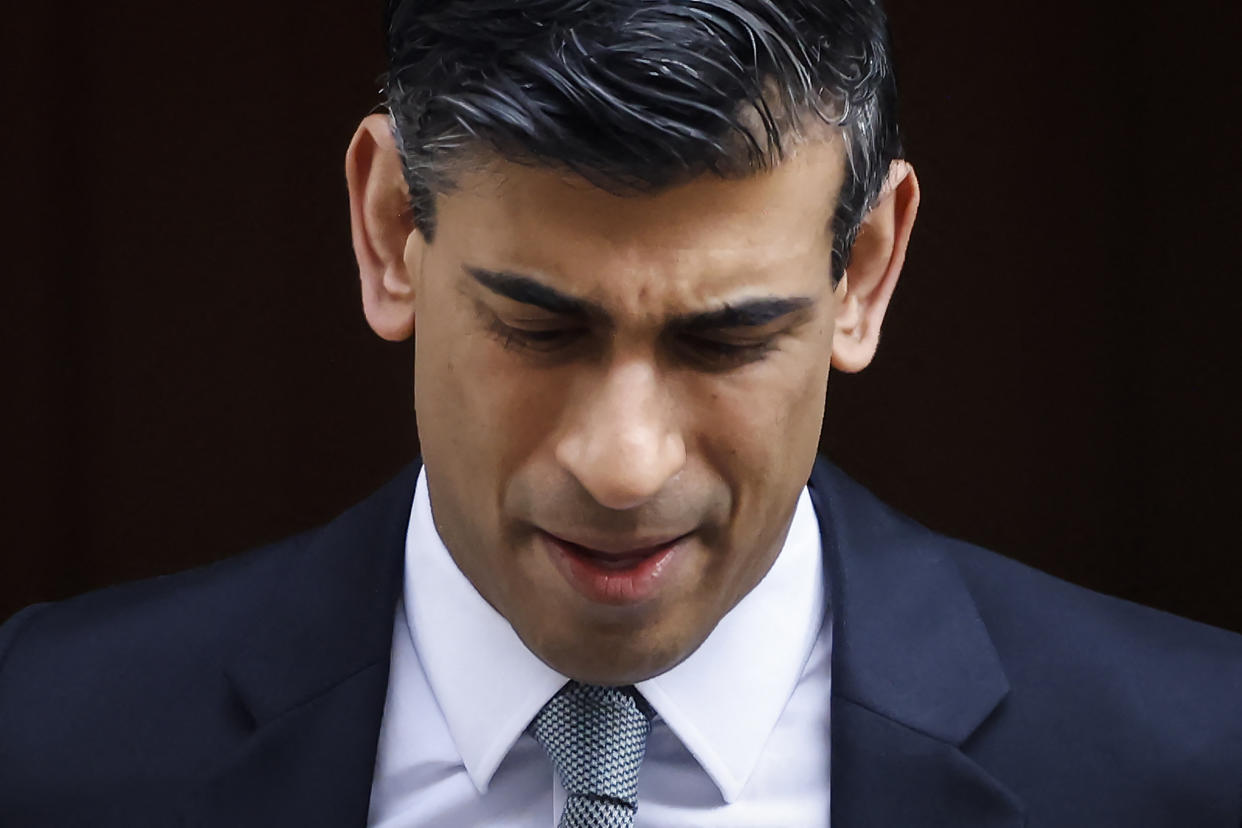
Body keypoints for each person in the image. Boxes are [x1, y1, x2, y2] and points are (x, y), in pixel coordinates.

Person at [2, 0, 1240, 824]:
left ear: (862, 272)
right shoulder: (44, 746)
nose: (622, 465)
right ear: (390, 233)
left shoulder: (1193, 764)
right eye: (539, 327)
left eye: (727, 338)